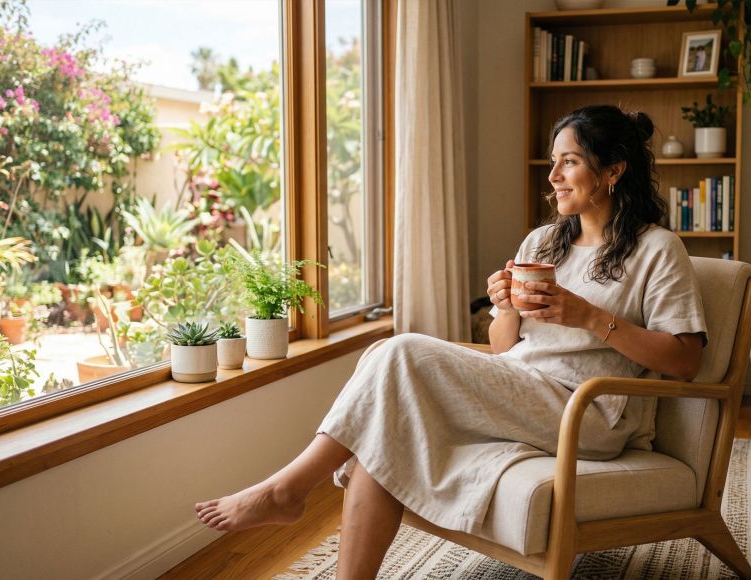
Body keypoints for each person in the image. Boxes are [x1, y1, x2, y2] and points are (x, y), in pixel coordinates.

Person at [194, 104, 707, 579]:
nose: (552, 177)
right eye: (553, 162)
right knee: (384, 428)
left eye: (569, 162)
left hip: (588, 411)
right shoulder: (542, 242)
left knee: (397, 352)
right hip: (521, 386)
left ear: (613, 171)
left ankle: (289, 487)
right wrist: (504, 304)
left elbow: (685, 361)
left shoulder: (657, 249)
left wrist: (592, 318)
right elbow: (505, 347)